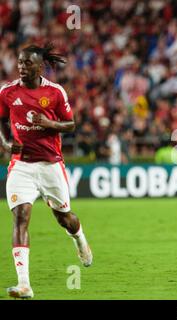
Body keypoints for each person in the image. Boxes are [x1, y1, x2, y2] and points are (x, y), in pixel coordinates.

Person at [0, 44, 93, 299]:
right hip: (21, 166)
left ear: (40, 67)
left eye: (27, 63)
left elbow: (71, 124)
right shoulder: (8, 92)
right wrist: (6, 143)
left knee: (65, 218)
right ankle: (24, 284)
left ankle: (80, 239)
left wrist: (49, 123)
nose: (21, 67)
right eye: (19, 62)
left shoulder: (54, 92)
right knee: (20, 217)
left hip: (51, 165)